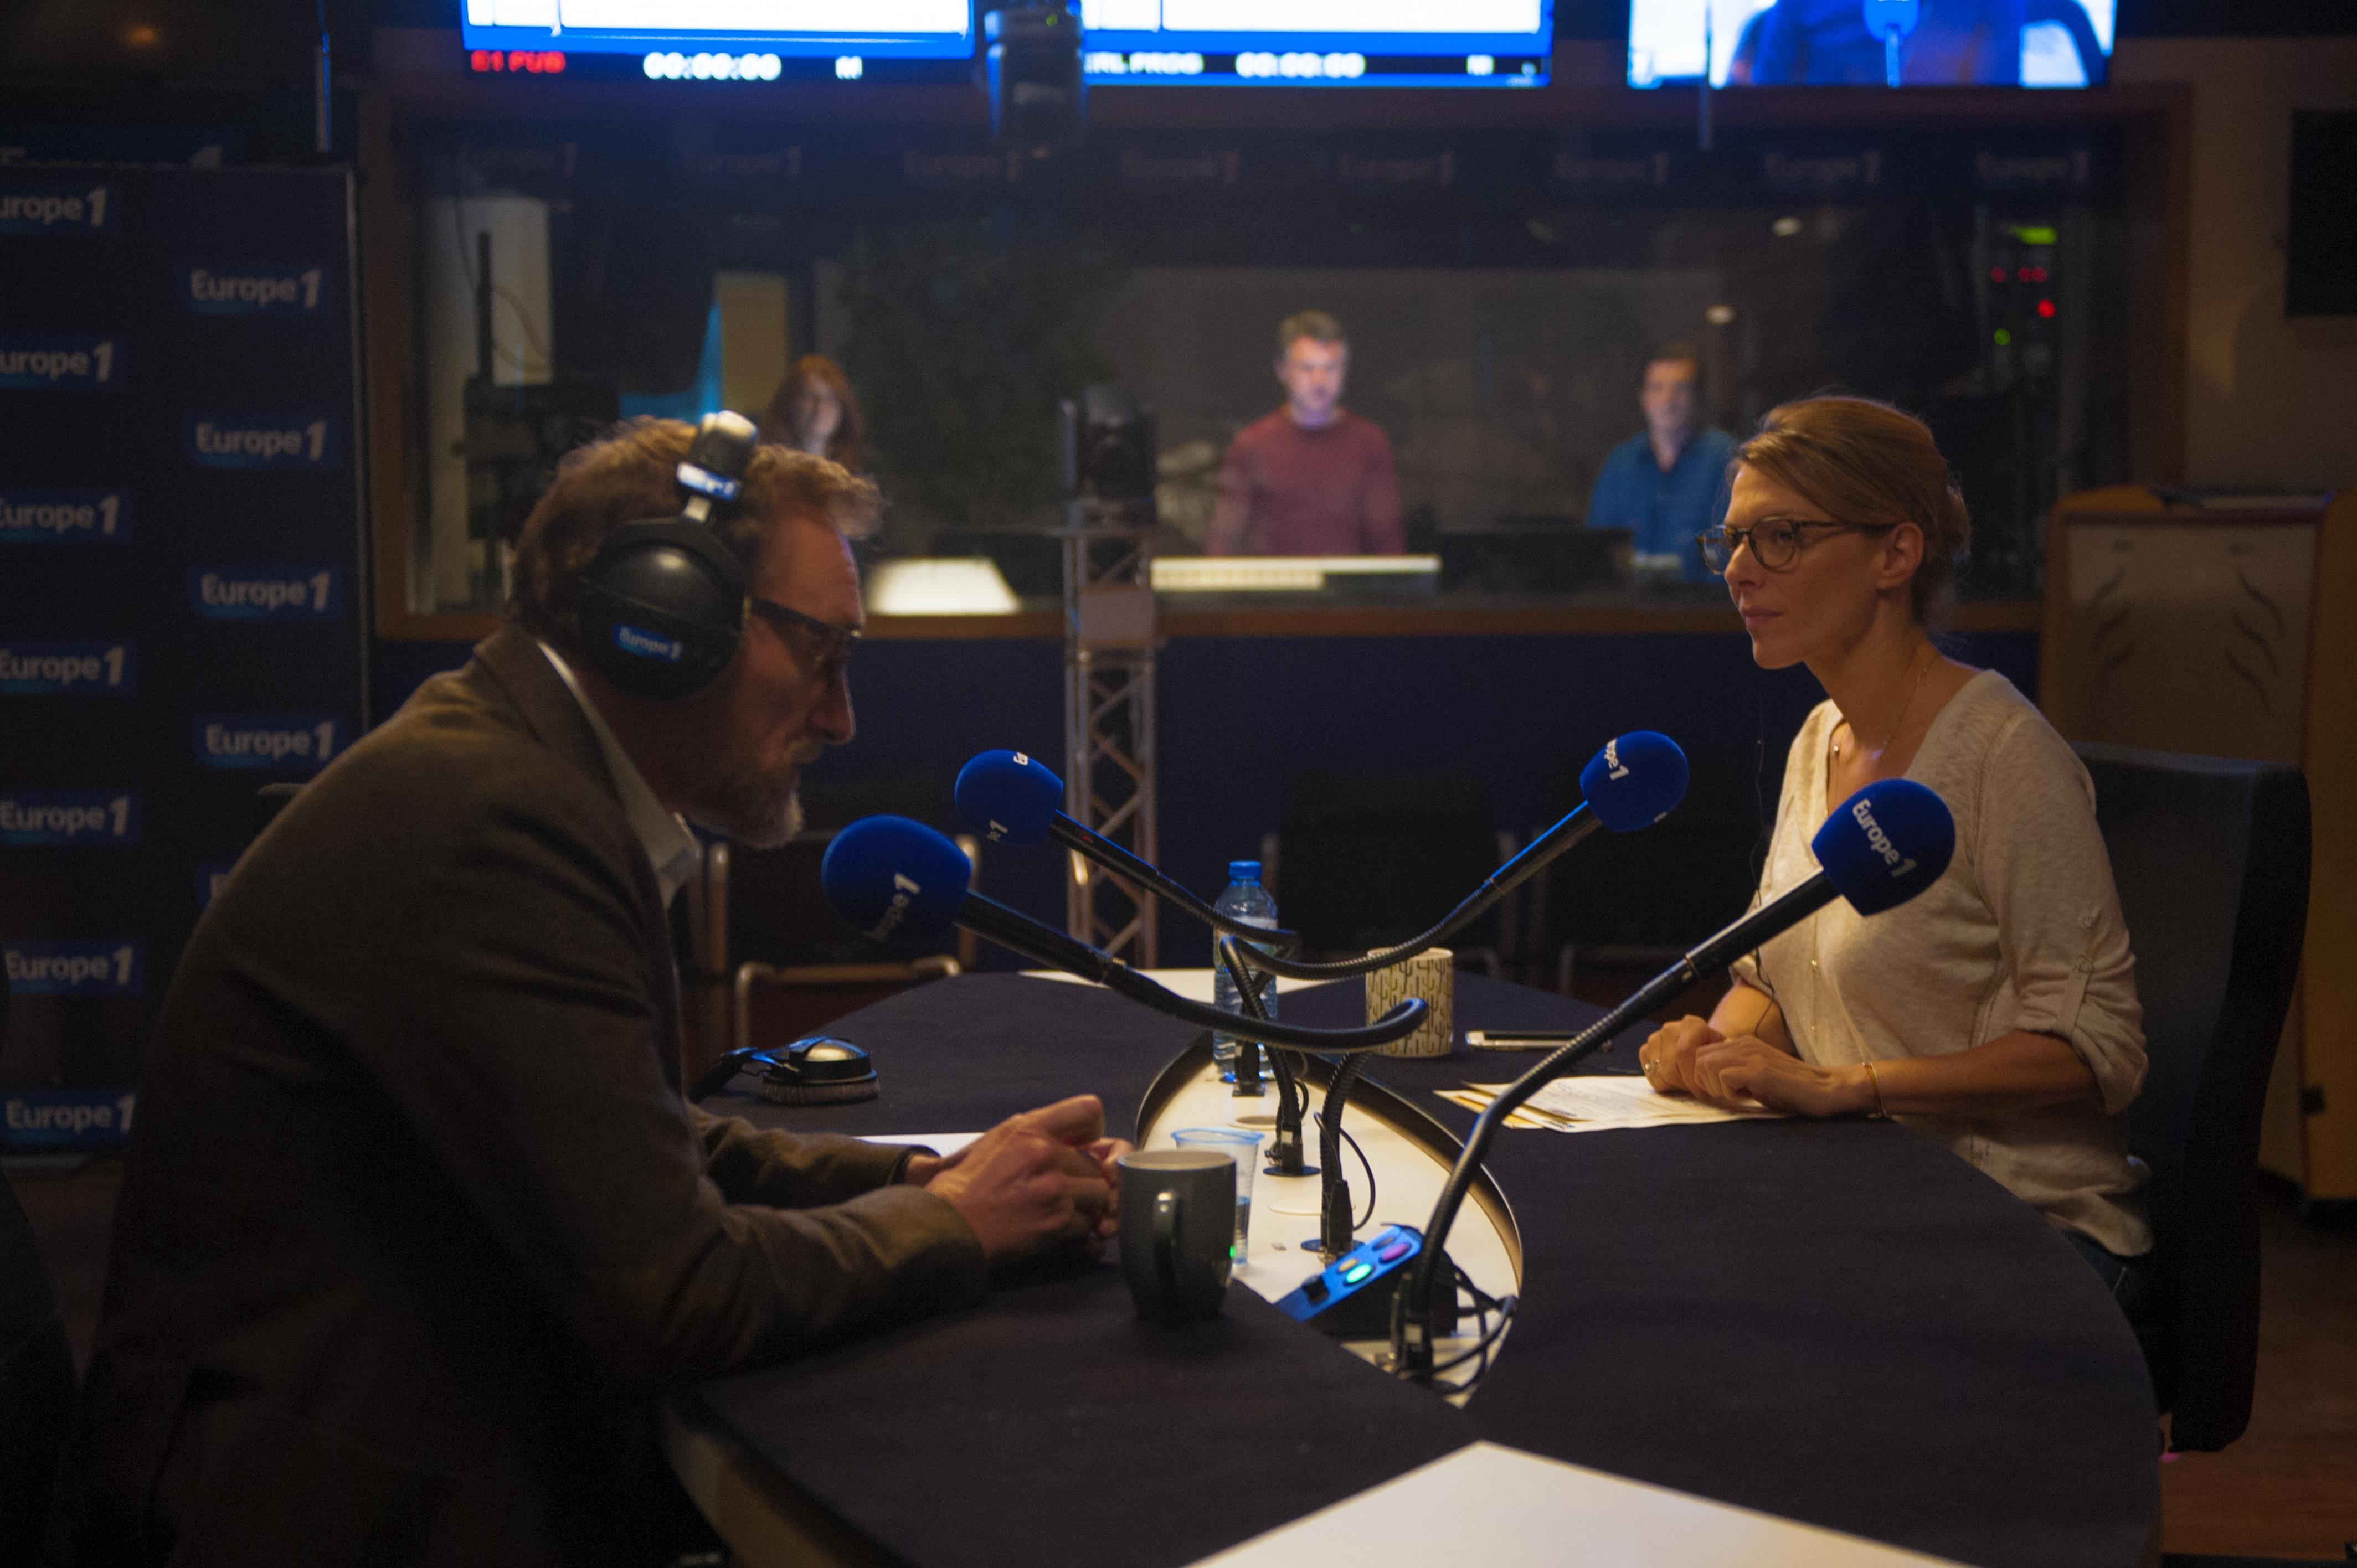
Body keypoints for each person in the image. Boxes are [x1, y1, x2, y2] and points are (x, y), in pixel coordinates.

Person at [58, 420, 1128, 1564]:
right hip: (327, 1513)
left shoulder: (512, 769)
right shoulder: (494, 821)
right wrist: (956, 1223)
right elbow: (675, 1291)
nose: (840, 716)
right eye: (823, 653)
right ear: (669, 621)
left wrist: (916, 1178)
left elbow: (628, 1136)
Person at [1637, 395, 2152, 1309]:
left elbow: (2096, 1048)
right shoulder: (1821, 737)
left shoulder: (2004, 755)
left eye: (1781, 537)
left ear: (1896, 554)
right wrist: (1709, 1050)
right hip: (1870, 1200)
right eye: (1734, 541)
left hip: (2023, 1227)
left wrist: (1848, 1087)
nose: (1741, 571)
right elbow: (1774, 981)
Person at [1206, 310, 1402, 557]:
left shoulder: (1370, 443)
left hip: (1347, 582)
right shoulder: (1251, 445)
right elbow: (1223, 541)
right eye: (1307, 368)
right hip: (1274, 581)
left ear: (1344, 373)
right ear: (1283, 371)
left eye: (1331, 368)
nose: (1319, 380)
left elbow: (1387, 542)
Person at [1583, 345, 1737, 583]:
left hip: (1705, 603)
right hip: (1629, 602)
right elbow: (1597, 549)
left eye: (1681, 388)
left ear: (1697, 397)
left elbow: (1736, 554)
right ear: (1643, 397)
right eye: (1657, 388)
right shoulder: (1621, 463)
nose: (1668, 400)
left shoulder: (1725, 459)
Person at [759, 353, 867, 472]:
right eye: (809, 396)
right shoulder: (764, 468)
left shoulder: (858, 472)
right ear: (789, 403)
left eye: (830, 399)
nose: (820, 407)